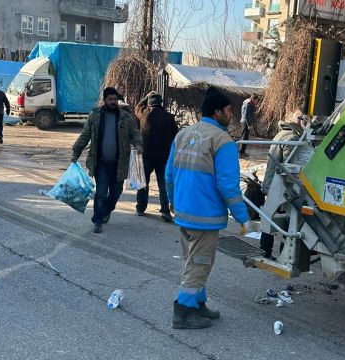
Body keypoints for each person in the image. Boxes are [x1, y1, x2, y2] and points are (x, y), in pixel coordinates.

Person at [166, 86, 252, 329]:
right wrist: (243, 218)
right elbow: (228, 186)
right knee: (200, 263)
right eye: (228, 110)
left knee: (191, 261)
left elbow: (169, 173)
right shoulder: (222, 140)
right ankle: (182, 312)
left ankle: (197, 304)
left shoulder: (183, 134)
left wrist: (173, 200)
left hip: (184, 212)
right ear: (216, 112)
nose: (231, 115)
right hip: (205, 216)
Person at [71, 87, 143, 234]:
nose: (113, 102)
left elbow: (135, 133)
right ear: (104, 100)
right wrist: (76, 152)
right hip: (101, 163)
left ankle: (107, 210)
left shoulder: (125, 117)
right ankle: (97, 220)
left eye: (115, 99)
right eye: (110, 99)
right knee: (101, 193)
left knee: (116, 192)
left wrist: (138, 144)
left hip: (119, 163)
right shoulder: (95, 116)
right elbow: (85, 135)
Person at [260, 110, 305, 259]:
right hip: (280, 186)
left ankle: (265, 251)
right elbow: (290, 166)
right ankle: (282, 253)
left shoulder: (281, 133)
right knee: (287, 219)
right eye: (301, 119)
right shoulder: (292, 137)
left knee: (270, 216)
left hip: (271, 183)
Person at [134, 91, 178, 222]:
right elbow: (175, 135)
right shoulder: (169, 117)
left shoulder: (143, 114)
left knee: (143, 183)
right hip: (164, 156)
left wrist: (145, 96)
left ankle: (140, 208)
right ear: (161, 103)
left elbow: (137, 107)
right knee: (163, 184)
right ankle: (165, 211)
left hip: (146, 155)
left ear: (149, 103)